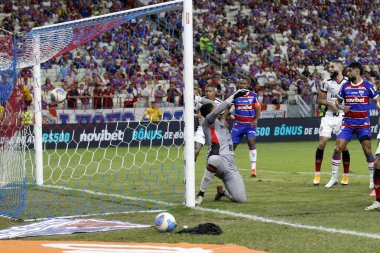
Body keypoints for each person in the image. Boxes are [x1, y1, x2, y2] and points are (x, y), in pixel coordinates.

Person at [194, 89, 249, 206]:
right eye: (214, 108)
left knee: (241, 199)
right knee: (215, 160)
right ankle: (200, 194)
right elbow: (216, 110)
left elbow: (220, 108)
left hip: (230, 166)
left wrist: (199, 98)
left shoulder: (222, 121)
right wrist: (232, 97)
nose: (218, 109)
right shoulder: (207, 122)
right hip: (216, 159)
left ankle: (222, 192)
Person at [332, 62, 380, 190]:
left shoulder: (367, 86)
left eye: (350, 71)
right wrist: (342, 107)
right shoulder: (345, 86)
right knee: (338, 148)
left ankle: (371, 179)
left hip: (363, 124)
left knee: (367, 151)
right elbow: (337, 103)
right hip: (348, 123)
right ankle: (334, 178)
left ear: (357, 72)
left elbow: (377, 99)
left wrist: (378, 104)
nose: (348, 73)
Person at [313, 60, 351, 187]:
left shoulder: (348, 82)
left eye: (332, 66)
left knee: (342, 147)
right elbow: (319, 100)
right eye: (329, 66)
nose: (329, 68)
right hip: (328, 116)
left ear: (340, 68)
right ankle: (317, 175)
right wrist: (329, 103)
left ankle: (345, 176)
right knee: (322, 142)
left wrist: (342, 107)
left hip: (342, 117)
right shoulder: (326, 82)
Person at [230, 79, 261, 177]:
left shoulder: (253, 95)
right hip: (238, 125)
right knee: (232, 146)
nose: (243, 85)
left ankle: (253, 169)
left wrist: (255, 120)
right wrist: (223, 118)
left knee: (251, 141)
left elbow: (258, 109)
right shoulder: (234, 95)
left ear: (248, 85)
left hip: (249, 125)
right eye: (241, 83)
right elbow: (227, 108)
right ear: (238, 84)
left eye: (244, 83)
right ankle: (228, 166)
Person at [194, 84, 223, 161]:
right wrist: (197, 115)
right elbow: (191, 113)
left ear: (214, 92)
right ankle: (191, 170)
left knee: (214, 155)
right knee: (195, 151)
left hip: (214, 130)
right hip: (202, 129)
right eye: (206, 91)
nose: (207, 93)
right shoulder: (199, 101)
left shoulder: (219, 102)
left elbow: (223, 116)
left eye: (209, 91)